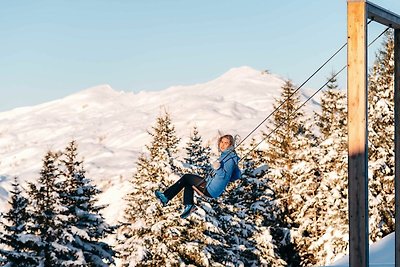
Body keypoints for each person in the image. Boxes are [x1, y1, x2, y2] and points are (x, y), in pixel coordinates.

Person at [155, 134, 241, 219]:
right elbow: (236, 176)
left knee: (186, 177)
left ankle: (166, 197)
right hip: (213, 189)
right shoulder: (229, 157)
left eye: (226, 143)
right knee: (188, 183)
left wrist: (217, 168)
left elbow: (224, 175)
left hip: (210, 188)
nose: (222, 144)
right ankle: (189, 206)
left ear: (231, 145)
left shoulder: (229, 158)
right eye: (221, 142)